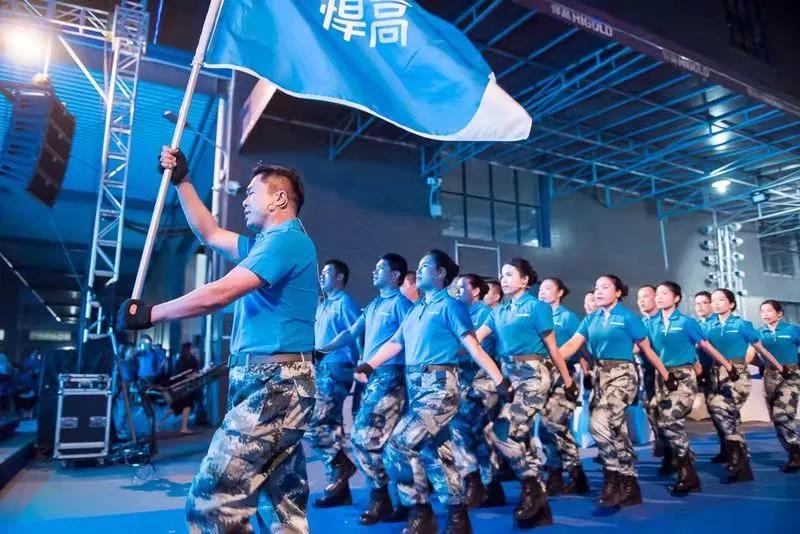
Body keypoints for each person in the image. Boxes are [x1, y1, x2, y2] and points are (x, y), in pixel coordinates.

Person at [118, 148, 318, 533]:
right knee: (283, 506)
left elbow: (219, 294)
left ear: (279, 198)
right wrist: (183, 181)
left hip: (274, 385)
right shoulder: (264, 245)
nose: (244, 199)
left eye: (251, 192)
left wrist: (151, 314)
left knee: (212, 501)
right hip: (269, 382)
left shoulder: (287, 240)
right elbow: (209, 233)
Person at [354, 249, 513, 534]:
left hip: (439, 389)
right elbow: (395, 343)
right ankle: (457, 514)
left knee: (399, 443)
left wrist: (500, 381)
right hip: (416, 389)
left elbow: (474, 348)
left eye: (425, 265)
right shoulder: (415, 309)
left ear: (440, 273)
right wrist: (370, 364)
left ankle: (420, 510)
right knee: (436, 452)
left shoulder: (451, 306)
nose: (419, 269)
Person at [474, 258, 578, 528]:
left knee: (504, 431)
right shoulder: (498, 311)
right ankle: (536, 496)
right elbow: (473, 340)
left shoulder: (536, 307)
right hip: (508, 375)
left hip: (533, 374)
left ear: (525, 280)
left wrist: (568, 381)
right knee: (512, 434)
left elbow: (552, 348)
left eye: (510, 274)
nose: (504, 279)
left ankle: (532, 487)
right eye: (502, 275)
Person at [560, 275, 676, 508]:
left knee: (598, 422)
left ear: (618, 292)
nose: (598, 291)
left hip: (623, 376)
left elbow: (647, 350)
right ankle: (630, 485)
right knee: (616, 430)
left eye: (605, 287)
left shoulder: (627, 318)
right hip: (600, 377)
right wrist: (548, 360)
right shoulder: (591, 319)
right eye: (596, 287)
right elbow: (572, 345)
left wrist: (665, 374)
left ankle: (612, 478)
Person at [318, 253, 413, 523]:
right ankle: (393, 499)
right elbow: (350, 333)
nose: (374, 271)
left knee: (364, 438)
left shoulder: (401, 305)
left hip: (392, 377)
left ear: (395, 275)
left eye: (380, 268)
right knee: (383, 442)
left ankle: (387, 497)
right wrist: (321, 349)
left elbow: (407, 341)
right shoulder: (374, 305)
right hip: (373, 378)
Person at [648, 282, 734, 495]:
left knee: (669, 419)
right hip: (662, 377)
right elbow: (642, 347)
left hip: (683, 377)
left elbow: (705, 346)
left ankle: (687, 472)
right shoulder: (651, 323)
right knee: (659, 417)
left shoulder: (686, 322)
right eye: (657, 294)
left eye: (664, 293)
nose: (659, 297)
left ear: (676, 298)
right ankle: (678, 459)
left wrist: (727, 364)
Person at [704, 288, 784, 483]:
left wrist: (779, 366)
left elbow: (760, 349)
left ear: (731, 304)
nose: (715, 303)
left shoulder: (742, 324)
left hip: (737, 374)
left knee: (720, 407)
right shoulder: (708, 326)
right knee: (729, 416)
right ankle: (741, 465)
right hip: (715, 375)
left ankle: (737, 458)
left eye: (721, 299)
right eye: (713, 300)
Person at [305, 259, 361, 507]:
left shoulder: (345, 302)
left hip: (338, 368)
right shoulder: (323, 305)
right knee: (331, 428)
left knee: (313, 423)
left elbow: (356, 333)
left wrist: (362, 364)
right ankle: (339, 490)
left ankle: (342, 464)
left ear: (340, 277)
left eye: (327, 273)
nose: (322, 276)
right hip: (322, 369)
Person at [451, 273, 505, 508]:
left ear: (475, 291)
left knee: (459, 426)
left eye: (461, 287)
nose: (456, 292)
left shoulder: (484, 314)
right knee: (479, 433)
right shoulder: (458, 314)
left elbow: (471, 349)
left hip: (484, 382)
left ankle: (472, 478)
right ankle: (490, 484)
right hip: (464, 382)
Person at [537, 277, 590, 496]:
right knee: (546, 427)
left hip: (564, 373)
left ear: (560, 293)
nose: (542, 292)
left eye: (548, 288)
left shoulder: (567, 317)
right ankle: (558, 472)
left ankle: (574, 474)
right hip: (542, 373)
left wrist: (587, 370)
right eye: (540, 289)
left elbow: (582, 345)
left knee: (553, 424)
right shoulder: (537, 315)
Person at [757, 299, 800, 473]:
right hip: (769, 375)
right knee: (777, 418)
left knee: (782, 413)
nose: (765, 314)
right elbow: (752, 354)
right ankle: (794, 451)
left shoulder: (792, 330)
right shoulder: (759, 333)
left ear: (779, 313)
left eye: (769, 311)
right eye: (762, 311)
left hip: (791, 374)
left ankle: (795, 453)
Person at [692, 290, 724, 458]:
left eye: (705, 302)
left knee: (724, 410)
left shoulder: (719, 323)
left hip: (720, 371)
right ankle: (725, 448)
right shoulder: (694, 324)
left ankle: (734, 449)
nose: (701, 306)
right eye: (697, 303)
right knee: (713, 410)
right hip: (703, 372)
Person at [636, 285, 665, 459]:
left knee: (667, 414)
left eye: (646, 296)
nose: (641, 301)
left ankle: (676, 454)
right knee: (651, 408)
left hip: (667, 372)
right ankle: (661, 443)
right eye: (639, 297)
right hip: (648, 372)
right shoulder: (639, 323)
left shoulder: (665, 320)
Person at [172, 342, 200, 435]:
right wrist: (192, 375)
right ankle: (184, 427)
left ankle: (183, 427)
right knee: (184, 405)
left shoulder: (189, 358)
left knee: (180, 405)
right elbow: (182, 373)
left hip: (187, 386)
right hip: (184, 386)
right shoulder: (183, 360)